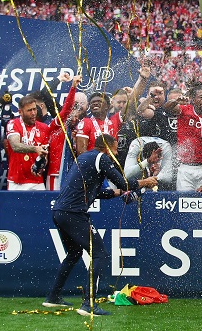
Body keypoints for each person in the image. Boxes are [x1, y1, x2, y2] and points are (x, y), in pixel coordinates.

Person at [44, 134, 157, 316]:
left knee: (74, 253)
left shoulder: (84, 158)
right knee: (100, 254)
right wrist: (145, 182)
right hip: (74, 213)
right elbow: (125, 182)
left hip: (60, 212)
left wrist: (121, 193)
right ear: (107, 148)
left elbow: (99, 192)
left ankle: (53, 297)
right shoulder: (101, 158)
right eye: (114, 149)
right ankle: (88, 304)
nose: (116, 153)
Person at [163, 84, 202, 191]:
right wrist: (175, 101)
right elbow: (167, 108)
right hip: (185, 168)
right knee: (185, 204)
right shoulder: (185, 110)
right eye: (201, 97)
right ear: (193, 100)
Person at [6, 95, 50, 190]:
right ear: (20, 112)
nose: (33, 113)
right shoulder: (13, 124)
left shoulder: (44, 127)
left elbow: (45, 153)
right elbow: (15, 146)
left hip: (37, 181)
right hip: (16, 181)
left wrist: (41, 164)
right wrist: (35, 148)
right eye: (29, 110)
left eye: (35, 109)